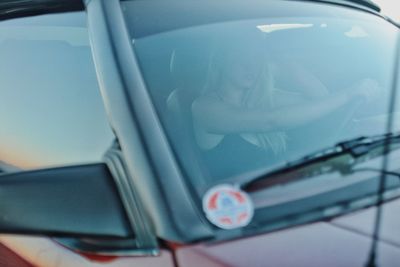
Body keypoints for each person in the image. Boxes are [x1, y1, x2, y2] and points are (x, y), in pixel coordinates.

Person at [191, 38, 380, 179]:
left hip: (283, 190)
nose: (251, 66)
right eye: (241, 58)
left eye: (256, 58)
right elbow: (270, 121)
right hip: (234, 206)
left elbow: (320, 98)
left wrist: (287, 65)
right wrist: (348, 94)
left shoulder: (265, 98)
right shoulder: (205, 107)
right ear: (221, 62)